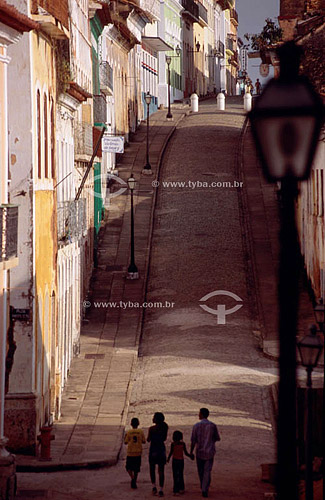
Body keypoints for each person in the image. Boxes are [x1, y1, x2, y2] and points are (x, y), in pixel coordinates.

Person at [190, 408, 221, 498]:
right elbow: (217, 438)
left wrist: (191, 452)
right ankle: (205, 488)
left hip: (199, 451)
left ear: (202, 414)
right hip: (209, 451)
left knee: (201, 471)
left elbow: (193, 441)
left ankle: (203, 486)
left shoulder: (196, 426)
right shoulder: (212, 426)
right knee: (207, 471)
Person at [147, 412, 169, 497]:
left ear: (156, 420)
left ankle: (154, 486)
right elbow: (164, 439)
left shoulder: (151, 429)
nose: (152, 419)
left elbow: (148, 439)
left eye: (153, 417)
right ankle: (161, 489)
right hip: (161, 449)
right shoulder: (165, 427)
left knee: (152, 469)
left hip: (153, 449)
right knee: (161, 470)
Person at [167, 430, 194, 495]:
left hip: (175, 460)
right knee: (180, 474)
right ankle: (181, 488)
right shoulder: (183, 444)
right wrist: (190, 456)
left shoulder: (173, 444)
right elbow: (185, 453)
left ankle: (175, 489)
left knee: (175, 475)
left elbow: (171, 452)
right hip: (181, 461)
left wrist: (168, 459)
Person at [124, 417, 146, 489]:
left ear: (131, 424)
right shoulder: (141, 432)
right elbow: (144, 441)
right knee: (136, 468)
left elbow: (125, 442)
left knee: (128, 467)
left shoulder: (129, 432)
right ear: (138, 424)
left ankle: (132, 478)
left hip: (130, 452)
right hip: (138, 452)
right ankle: (134, 479)